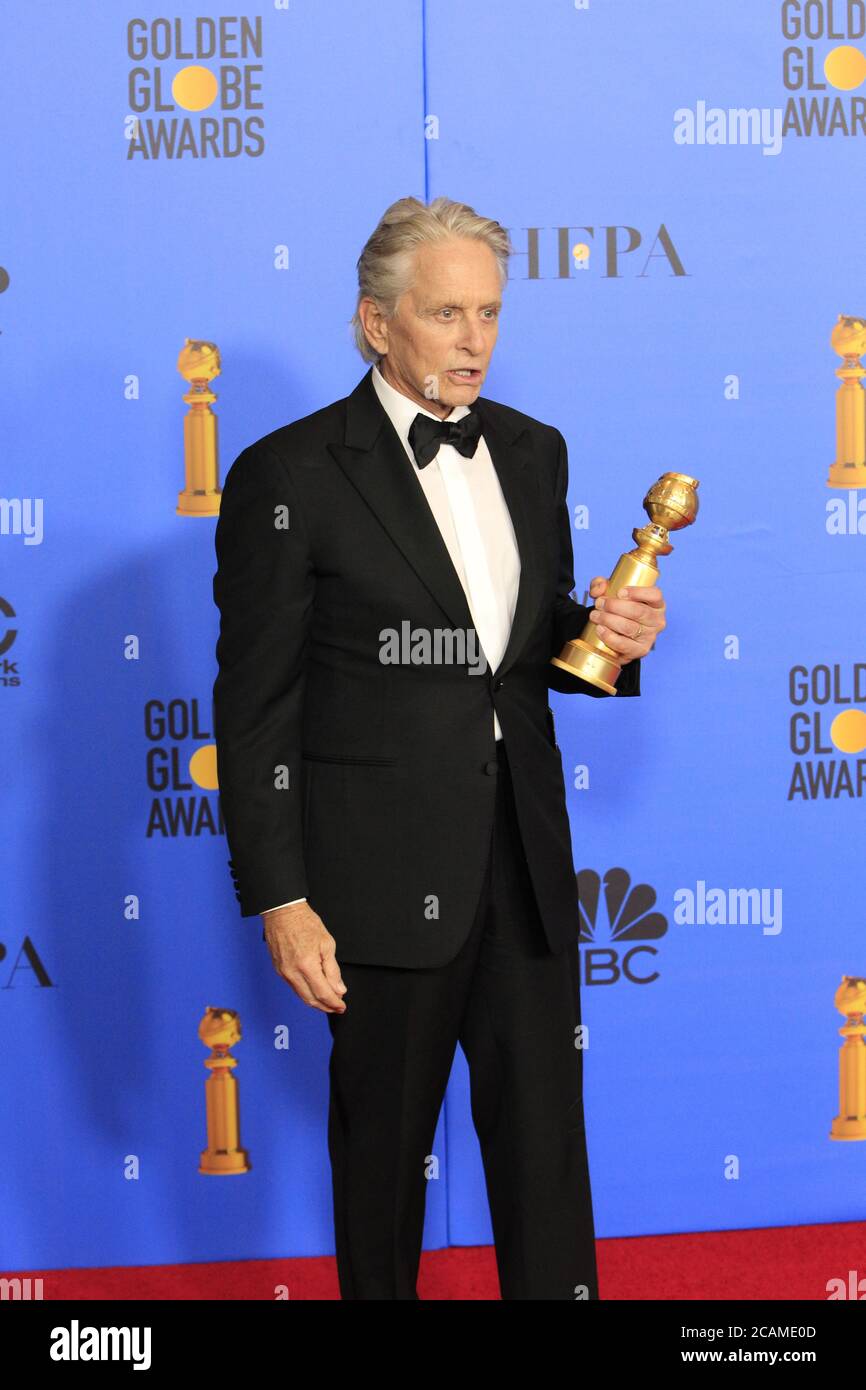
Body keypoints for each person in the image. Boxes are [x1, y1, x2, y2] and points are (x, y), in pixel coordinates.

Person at [212, 195, 666, 1300]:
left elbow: (522, 650)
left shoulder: (531, 450)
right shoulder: (289, 476)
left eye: (489, 314)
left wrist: (607, 637)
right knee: (380, 1166)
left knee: (546, 1156)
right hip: (373, 881)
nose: (474, 341)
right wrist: (281, 896)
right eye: (446, 314)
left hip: (521, 860)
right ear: (378, 324)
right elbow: (254, 706)